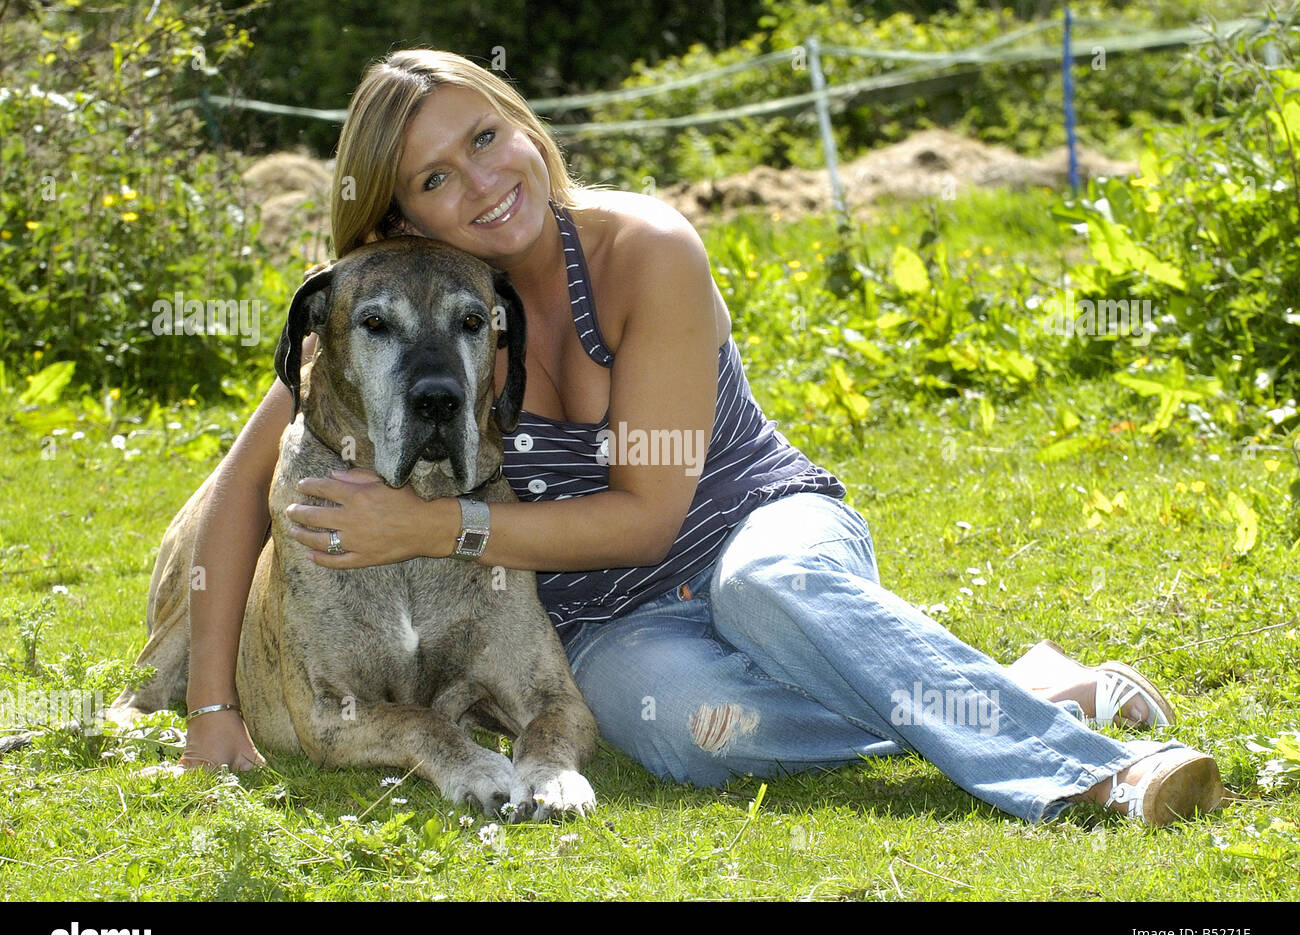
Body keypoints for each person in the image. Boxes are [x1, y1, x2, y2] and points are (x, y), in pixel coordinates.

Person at [178, 49, 1224, 827]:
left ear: (525, 126)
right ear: (402, 217)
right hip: (610, 617)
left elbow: (650, 515)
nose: (481, 182)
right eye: (434, 179)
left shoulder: (647, 250)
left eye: (483, 138)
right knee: (683, 730)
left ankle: (1092, 768)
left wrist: (438, 523)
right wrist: (214, 703)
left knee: (764, 590)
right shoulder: (410, 306)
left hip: (752, 532)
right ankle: (1013, 681)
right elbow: (239, 494)